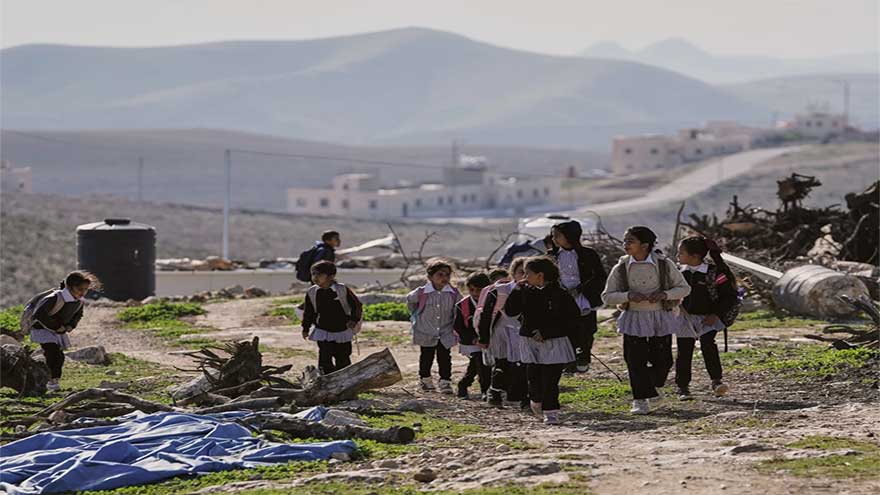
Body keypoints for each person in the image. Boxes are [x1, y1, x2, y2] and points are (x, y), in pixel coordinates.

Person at [601, 226, 691, 415]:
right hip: (634, 318)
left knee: (663, 361)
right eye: (625, 241)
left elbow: (684, 288)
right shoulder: (622, 267)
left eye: (630, 241)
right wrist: (628, 296)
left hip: (660, 317)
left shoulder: (664, 264)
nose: (625, 245)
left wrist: (664, 294)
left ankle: (650, 388)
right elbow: (607, 296)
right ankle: (639, 400)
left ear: (645, 245)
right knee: (634, 360)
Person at [504, 256, 579, 425]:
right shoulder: (524, 291)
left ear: (540, 275)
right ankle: (536, 401)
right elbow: (510, 311)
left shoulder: (560, 294)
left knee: (550, 379)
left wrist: (547, 332)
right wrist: (515, 290)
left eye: (527, 273)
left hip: (554, 343)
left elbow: (572, 320)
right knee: (533, 377)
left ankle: (551, 412)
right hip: (530, 342)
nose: (524, 277)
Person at [674, 236, 736, 399]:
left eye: (681, 253)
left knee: (708, 346)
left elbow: (728, 296)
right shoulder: (679, 273)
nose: (677, 256)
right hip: (684, 317)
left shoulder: (715, 273)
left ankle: (716, 381)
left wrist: (715, 314)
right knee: (684, 350)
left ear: (694, 256)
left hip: (708, 318)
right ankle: (683, 387)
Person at [550, 220, 607, 373]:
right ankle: (568, 361)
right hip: (561, 299)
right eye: (553, 235)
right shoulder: (552, 256)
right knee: (565, 329)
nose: (554, 238)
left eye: (558, 235)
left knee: (586, 329)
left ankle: (583, 357)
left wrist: (580, 289)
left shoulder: (589, 254)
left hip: (584, 298)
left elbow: (599, 276)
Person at [30, 271, 100, 392]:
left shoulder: (79, 301)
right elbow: (39, 314)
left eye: (85, 289)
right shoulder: (56, 297)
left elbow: (78, 315)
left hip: (57, 331)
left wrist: (71, 326)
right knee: (53, 354)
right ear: (70, 286)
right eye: (79, 289)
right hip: (42, 329)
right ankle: (48, 381)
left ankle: (53, 381)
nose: (82, 292)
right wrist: (56, 326)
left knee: (59, 357)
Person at [477, 258, 530, 409]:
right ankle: (495, 392)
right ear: (513, 274)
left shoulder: (533, 290)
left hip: (522, 332)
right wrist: (484, 337)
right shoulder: (500, 290)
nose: (525, 276)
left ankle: (520, 397)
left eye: (528, 273)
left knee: (522, 365)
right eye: (521, 272)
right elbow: (486, 314)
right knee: (502, 364)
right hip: (502, 331)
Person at [301, 260, 362, 375]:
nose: (315, 277)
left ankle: (344, 381)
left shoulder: (341, 290)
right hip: (323, 331)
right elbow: (309, 312)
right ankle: (326, 381)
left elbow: (357, 306)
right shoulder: (312, 292)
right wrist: (305, 328)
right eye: (313, 274)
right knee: (324, 359)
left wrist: (353, 320)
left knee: (343, 358)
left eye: (319, 274)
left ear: (331, 276)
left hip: (342, 331)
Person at [407, 259, 459, 394]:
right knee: (426, 356)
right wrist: (418, 319)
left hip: (445, 330)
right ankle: (425, 380)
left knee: (445, 357)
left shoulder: (453, 293)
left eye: (447, 275)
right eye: (440, 275)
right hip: (426, 330)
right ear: (430, 277)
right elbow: (411, 303)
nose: (445, 278)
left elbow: (459, 309)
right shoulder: (421, 292)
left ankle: (445, 382)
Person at [453, 272, 492, 399]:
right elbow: (458, 326)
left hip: (488, 340)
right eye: (471, 289)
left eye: (479, 290)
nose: (475, 293)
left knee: (475, 366)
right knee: (481, 364)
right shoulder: (462, 305)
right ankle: (485, 390)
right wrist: (474, 339)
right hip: (471, 342)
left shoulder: (491, 302)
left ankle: (464, 384)